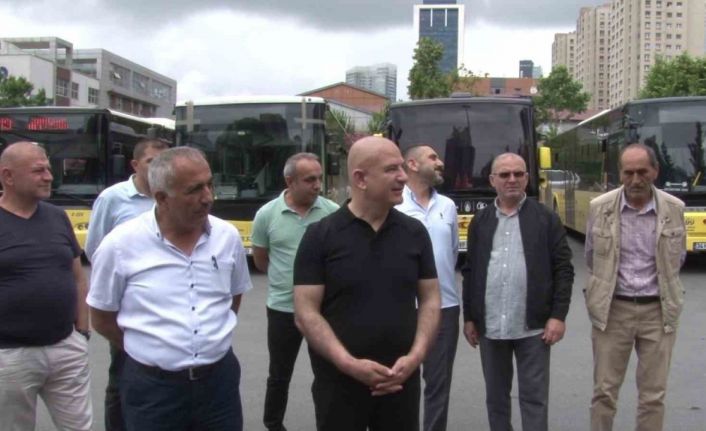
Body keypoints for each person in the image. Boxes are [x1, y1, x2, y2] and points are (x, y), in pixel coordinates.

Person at [87, 147, 252, 431]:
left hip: (219, 384)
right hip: (153, 390)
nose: (208, 197)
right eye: (194, 190)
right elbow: (102, 317)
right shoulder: (120, 245)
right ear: (161, 197)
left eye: (209, 184)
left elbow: (233, 297)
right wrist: (150, 348)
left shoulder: (227, 236)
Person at [293, 136, 441, 431]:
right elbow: (305, 312)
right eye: (391, 169)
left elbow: (430, 299)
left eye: (402, 167)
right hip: (339, 386)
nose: (403, 177)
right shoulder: (320, 236)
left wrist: (415, 357)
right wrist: (348, 364)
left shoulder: (414, 233)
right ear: (360, 179)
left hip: (400, 382)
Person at [462, 152, 573, 431]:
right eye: (504, 174)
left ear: (527, 178)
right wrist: (470, 318)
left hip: (533, 327)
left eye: (518, 174)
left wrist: (558, 316)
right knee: (496, 398)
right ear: (492, 180)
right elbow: (470, 271)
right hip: (491, 327)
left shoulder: (546, 219)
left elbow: (563, 269)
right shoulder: (481, 221)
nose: (512, 179)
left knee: (534, 398)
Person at [585, 143, 686, 431]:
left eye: (642, 172)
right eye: (628, 173)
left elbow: (677, 258)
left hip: (658, 311)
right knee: (604, 393)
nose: (635, 180)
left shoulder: (674, 208)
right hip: (613, 310)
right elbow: (591, 258)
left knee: (653, 396)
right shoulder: (600, 208)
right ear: (620, 173)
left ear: (655, 171)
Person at [0, 142, 92, 430]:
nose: (49, 177)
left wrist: (82, 333)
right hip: (10, 355)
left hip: (66, 347)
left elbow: (78, 277)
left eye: (49, 169)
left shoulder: (57, 216)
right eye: (38, 170)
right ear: (8, 176)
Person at [252, 152, 339, 431]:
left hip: (322, 311)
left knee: (326, 375)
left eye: (319, 178)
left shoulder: (332, 213)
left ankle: (327, 424)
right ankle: (273, 424)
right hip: (282, 309)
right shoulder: (267, 215)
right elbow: (261, 260)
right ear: (290, 181)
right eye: (309, 179)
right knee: (279, 375)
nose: (318, 185)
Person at [84, 138, 167, 431]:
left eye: (163, 162)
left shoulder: (171, 195)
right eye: (151, 162)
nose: (158, 168)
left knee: (162, 378)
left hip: (166, 303)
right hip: (126, 306)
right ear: (134, 164)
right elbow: (95, 249)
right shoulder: (113, 198)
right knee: (122, 376)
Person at [396, 144, 459, 431]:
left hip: (444, 308)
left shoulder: (448, 206)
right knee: (399, 379)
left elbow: (452, 253)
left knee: (438, 383)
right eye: (433, 157)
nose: (440, 162)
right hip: (400, 308)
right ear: (411, 164)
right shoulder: (394, 203)